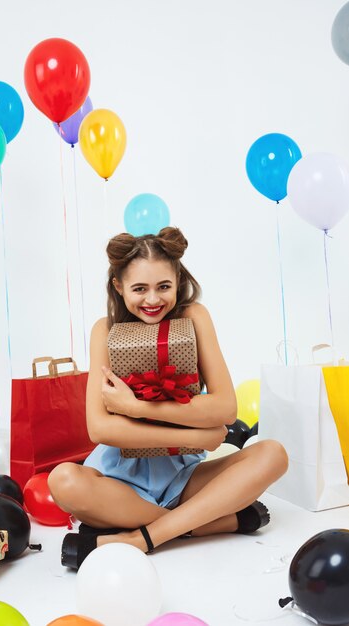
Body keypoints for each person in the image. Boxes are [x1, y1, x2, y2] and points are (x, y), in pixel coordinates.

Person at [48, 227, 288, 570]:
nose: (152, 300)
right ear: (118, 286)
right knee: (63, 481)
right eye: (139, 289)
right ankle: (207, 522)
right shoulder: (105, 329)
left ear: (177, 280)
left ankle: (139, 538)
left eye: (163, 286)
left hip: (182, 479)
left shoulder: (194, 318)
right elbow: (100, 429)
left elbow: (225, 407)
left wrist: (135, 407)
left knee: (273, 454)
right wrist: (197, 437)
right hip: (117, 486)